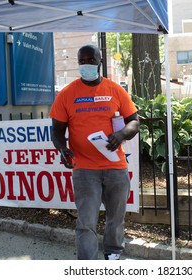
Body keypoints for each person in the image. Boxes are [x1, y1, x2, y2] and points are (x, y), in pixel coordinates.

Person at [49, 44, 140, 260]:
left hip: (115, 167)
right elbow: (57, 130)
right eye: (82, 61)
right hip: (84, 170)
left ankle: (113, 254)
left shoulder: (115, 90)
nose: (86, 65)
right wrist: (63, 149)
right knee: (86, 222)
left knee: (116, 218)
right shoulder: (67, 94)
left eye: (91, 60)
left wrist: (121, 135)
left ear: (100, 61)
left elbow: (134, 123)